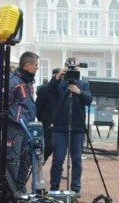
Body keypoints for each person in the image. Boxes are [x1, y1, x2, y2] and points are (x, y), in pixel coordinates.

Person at [45, 66, 92, 195]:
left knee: (76, 159)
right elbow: (49, 90)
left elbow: (89, 100)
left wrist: (79, 92)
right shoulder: (59, 84)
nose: (71, 72)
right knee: (58, 159)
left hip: (77, 128)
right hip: (60, 127)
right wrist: (58, 76)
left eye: (74, 69)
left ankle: (75, 188)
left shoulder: (83, 84)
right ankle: (54, 188)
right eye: (69, 69)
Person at [6, 52, 39, 192]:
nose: (37, 68)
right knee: (13, 161)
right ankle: (10, 198)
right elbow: (3, 104)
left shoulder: (28, 83)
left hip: (27, 128)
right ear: (27, 65)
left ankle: (20, 190)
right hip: (14, 129)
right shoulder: (13, 81)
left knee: (25, 161)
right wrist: (14, 119)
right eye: (36, 65)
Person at [35, 69, 59, 162]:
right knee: (47, 148)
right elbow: (37, 107)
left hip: (58, 125)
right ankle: (38, 165)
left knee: (57, 150)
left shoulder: (61, 91)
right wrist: (43, 120)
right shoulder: (44, 90)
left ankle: (58, 170)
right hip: (46, 124)